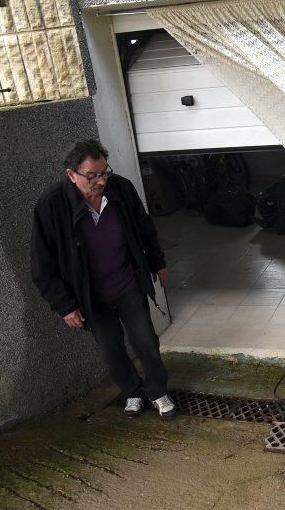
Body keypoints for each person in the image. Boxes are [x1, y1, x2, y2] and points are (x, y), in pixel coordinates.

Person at [30, 140, 176, 419]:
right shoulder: (51, 205)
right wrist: (64, 304)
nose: (101, 181)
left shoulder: (120, 188)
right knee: (111, 349)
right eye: (92, 176)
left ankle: (157, 391)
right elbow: (41, 264)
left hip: (126, 282)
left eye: (104, 172)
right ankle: (133, 391)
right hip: (91, 295)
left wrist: (157, 261)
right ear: (71, 175)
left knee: (145, 340)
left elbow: (144, 227)